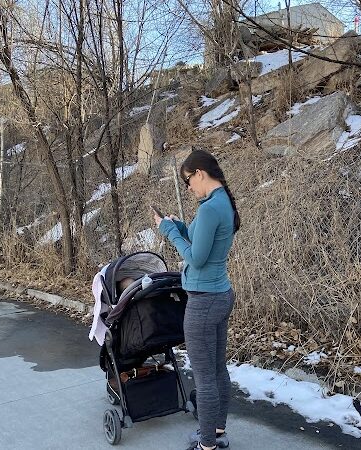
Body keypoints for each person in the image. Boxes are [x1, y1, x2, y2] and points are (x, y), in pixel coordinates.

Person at [153, 149, 240, 450]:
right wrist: (177, 226)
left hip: (204, 303)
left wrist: (168, 233)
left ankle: (206, 445)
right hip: (220, 295)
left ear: (200, 173)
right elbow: (200, 239)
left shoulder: (209, 208)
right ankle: (216, 432)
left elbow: (196, 258)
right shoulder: (220, 202)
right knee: (217, 370)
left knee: (204, 377)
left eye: (188, 180)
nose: (189, 188)